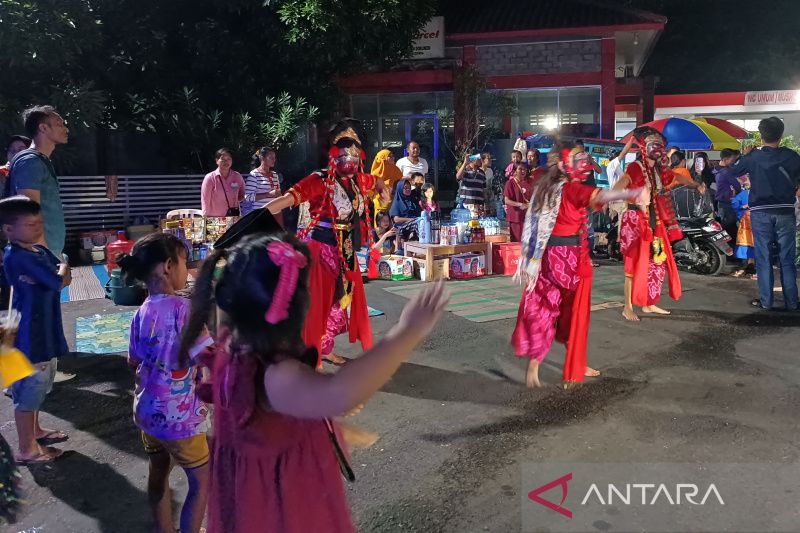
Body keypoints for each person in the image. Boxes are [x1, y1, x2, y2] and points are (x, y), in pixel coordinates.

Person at [178, 233, 448, 533]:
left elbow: (279, 417)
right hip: (282, 511)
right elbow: (340, 393)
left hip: (248, 504)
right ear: (293, 307)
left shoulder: (234, 353)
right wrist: (407, 331)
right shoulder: (275, 375)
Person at [264, 120, 388, 366]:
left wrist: (384, 190)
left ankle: (325, 347)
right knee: (318, 304)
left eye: (354, 145)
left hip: (347, 250)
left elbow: (378, 182)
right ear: (333, 150)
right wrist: (258, 217)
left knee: (342, 302)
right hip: (321, 249)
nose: (350, 151)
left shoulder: (357, 180)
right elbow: (287, 200)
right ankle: (310, 354)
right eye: (344, 143)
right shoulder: (318, 180)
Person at [512, 149, 640, 388]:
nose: (586, 165)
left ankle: (535, 368)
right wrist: (634, 191)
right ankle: (575, 365)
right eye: (582, 161)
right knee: (573, 314)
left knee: (545, 310)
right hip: (569, 261)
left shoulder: (548, 186)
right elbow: (602, 196)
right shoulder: (570, 188)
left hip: (547, 259)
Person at [119, 232, 211, 533]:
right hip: (179, 419)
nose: (189, 270)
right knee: (201, 481)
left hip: (147, 414)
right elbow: (208, 356)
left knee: (158, 473)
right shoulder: (184, 311)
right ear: (168, 267)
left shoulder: (141, 312)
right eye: (185, 262)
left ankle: (163, 528)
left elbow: (133, 360)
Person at [0, 196, 70, 464]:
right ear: (8, 229)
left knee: (41, 387)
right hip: (30, 336)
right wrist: (61, 270)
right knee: (29, 391)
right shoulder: (17, 256)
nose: (38, 228)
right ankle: (26, 449)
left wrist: (60, 271)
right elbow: (57, 280)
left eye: (39, 222)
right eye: (30, 224)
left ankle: (36, 431)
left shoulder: (37, 252)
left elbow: (60, 273)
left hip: (45, 328)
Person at [614, 127, 704, 321]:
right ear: (644, 147)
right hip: (636, 222)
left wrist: (695, 184)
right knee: (633, 265)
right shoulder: (635, 167)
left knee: (656, 261)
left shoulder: (660, 171)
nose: (657, 148)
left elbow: (677, 177)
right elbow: (620, 185)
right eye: (652, 144)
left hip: (656, 224)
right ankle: (627, 307)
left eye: (659, 145)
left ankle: (648, 303)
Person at [731, 117, 800, 311]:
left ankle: (766, 301)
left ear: (761, 136)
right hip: (786, 211)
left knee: (764, 258)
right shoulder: (792, 156)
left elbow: (734, 170)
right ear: (782, 134)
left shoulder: (753, 157)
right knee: (787, 259)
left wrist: (745, 155)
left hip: (760, 212)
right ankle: (792, 302)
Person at [7, 106, 69, 258]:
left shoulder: (40, 161)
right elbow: (28, 214)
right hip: (39, 254)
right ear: (43, 128)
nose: (66, 129)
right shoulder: (30, 162)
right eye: (59, 124)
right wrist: (42, 255)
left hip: (47, 250)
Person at [200, 148, 245, 217]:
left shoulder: (237, 176)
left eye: (228, 159)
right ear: (217, 161)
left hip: (233, 216)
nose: (226, 162)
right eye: (223, 159)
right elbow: (205, 200)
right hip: (215, 219)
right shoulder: (210, 178)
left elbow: (243, 195)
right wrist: (206, 218)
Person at [242, 147, 282, 217]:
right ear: (262, 158)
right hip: (260, 215)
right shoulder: (254, 174)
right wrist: (268, 194)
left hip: (275, 214)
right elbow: (247, 197)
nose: (274, 160)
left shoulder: (275, 175)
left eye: (274, 157)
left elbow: (277, 194)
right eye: (271, 157)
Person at [714, 148, 742, 242]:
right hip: (727, 202)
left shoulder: (716, 169)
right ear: (725, 160)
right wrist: (737, 192)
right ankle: (731, 247)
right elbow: (737, 185)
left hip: (720, 202)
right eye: (732, 159)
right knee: (729, 226)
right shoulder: (726, 171)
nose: (733, 161)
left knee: (726, 226)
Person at [369, 149, 403, 225]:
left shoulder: (396, 170)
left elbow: (400, 183)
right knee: (380, 225)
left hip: (393, 202)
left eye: (393, 156)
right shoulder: (376, 173)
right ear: (383, 158)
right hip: (380, 203)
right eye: (390, 156)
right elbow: (371, 189)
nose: (393, 158)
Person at [731, 178, 755, 278]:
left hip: (755, 223)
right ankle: (749, 266)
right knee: (747, 244)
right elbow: (735, 203)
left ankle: (750, 266)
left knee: (753, 244)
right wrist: (743, 206)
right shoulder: (744, 194)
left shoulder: (749, 194)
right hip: (746, 224)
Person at [504, 162, 533, 242]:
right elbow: (507, 200)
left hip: (527, 217)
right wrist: (520, 204)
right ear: (515, 171)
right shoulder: (510, 183)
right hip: (516, 218)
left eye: (525, 169)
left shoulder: (528, 183)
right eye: (520, 169)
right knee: (517, 243)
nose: (523, 171)